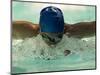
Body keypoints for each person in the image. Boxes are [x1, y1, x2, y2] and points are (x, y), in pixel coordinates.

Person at [12, 6, 96, 46]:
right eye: (46, 36)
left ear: (63, 29)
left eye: (57, 36)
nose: (52, 42)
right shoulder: (27, 31)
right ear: (40, 30)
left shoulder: (75, 32)